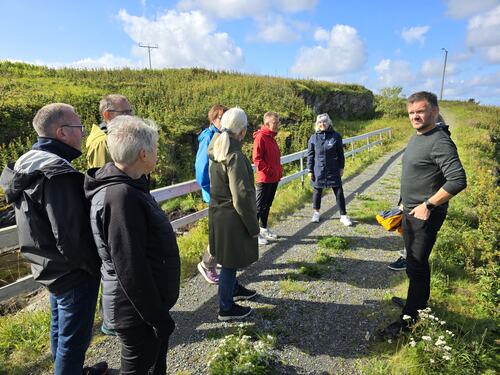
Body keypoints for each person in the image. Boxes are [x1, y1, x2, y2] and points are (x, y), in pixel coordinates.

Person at [0, 103, 106, 375]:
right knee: (74, 338)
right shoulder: (57, 174)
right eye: (79, 128)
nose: (82, 133)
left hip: (47, 264)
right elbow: (69, 235)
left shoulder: (27, 165)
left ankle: (70, 370)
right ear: (62, 132)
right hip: (72, 270)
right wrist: (91, 266)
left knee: (60, 327)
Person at [84, 115, 180, 374]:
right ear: (143, 153)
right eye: (155, 148)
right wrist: (158, 318)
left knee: (153, 365)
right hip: (135, 311)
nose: (157, 153)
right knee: (139, 367)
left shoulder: (131, 186)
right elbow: (130, 267)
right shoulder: (121, 196)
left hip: (142, 308)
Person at [380, 92, 466, 338]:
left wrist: (428, 204)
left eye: (420, 111)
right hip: (410, 211)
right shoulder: (419, 136)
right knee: (415, 264)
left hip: (425, 216)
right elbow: (416, 173)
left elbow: (458, 179)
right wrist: (401, 203)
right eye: (411, 112)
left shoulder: (439, 140)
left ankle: (409, 322)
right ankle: (416, 304)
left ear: (434, 112)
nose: (415, 116)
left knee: (416, 266)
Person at [207, 107, 259, 321]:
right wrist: (253, 226)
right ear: (242, 131)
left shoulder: (216, 147)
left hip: (218, 213)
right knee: (229, 263)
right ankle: (226, 307)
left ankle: (233, 289)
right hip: (232, 216)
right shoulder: (235, 155)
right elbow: (242, 196)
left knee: (229, 258)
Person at [388, 115, 449, 272]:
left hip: (425, 209)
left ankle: (409, 264)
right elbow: (415, 176)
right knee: (413, 252)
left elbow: (455, 180)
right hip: (412, 205)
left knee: (418, 261)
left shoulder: (440, 143)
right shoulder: (419, 140)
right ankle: (412, 292)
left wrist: (428, 205)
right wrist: (403, 202)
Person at [194, 104, 228, 284]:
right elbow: (200, 171)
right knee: (218, 232)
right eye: (222, 117)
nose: (225, 120)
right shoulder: (209, 137)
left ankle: (214, 261)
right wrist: (213, 189)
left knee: (223, 230)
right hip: (215, 193)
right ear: (214, 119)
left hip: (221, 192)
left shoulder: (222, 135)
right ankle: (207, 264)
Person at [307, 113, 352, 226]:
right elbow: (310, 155)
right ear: (317, 124)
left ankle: (343, 216)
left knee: (339, 191)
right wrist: (310, 170)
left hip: (333, 168)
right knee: (317, 191)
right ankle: (316, 213)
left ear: (329, 123)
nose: (322, 124)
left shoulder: (336, 136)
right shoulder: (313, 138)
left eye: (324, 122)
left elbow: (341, 154)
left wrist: (341, 167)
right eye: (320, 122)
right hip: (318, 169)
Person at [252, 111, 283, 246]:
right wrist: (270, 171)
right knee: (259, 206)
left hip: (273, 177)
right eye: (275, 123)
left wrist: (277, 172)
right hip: (264, 178)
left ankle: (263, 228)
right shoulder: (261, 137)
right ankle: (254, 234)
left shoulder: (271, 137)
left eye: (277, 123)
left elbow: (274, 158)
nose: (277, 126)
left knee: (267, 205)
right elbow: (257, 159)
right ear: (266, 123)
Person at [86, 94, 132, 168]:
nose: (130, 117)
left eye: (130, 111)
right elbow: (103, 177)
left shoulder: (113, 135)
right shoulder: (102, 142)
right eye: (124, 112)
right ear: (107, 115)